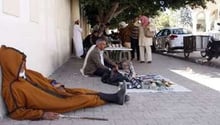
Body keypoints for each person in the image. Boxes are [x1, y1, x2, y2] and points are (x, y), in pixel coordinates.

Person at [0, 45, 129, 120]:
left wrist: (56, 83)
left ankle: (113, 97)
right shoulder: (11, 88)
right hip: (53, 102)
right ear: (11, 65)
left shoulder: (27, 73)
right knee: (81, 99)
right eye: (20, 64)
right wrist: (42, 114)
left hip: (55, 90)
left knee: (81, 90)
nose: (24, 65)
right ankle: (113, 98)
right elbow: (16, 112)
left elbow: (45, 80)